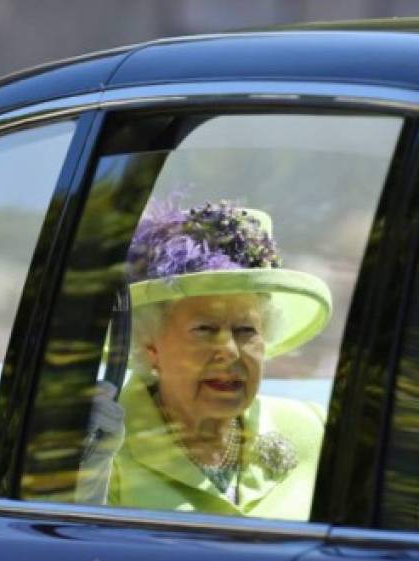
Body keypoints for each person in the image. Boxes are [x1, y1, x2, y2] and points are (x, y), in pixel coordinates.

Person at [78, 200, 333, 520]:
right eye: (204, 329)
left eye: (245, 330)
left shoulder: (314, 429)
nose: (229, 350)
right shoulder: (101, 447)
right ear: (150, 345)